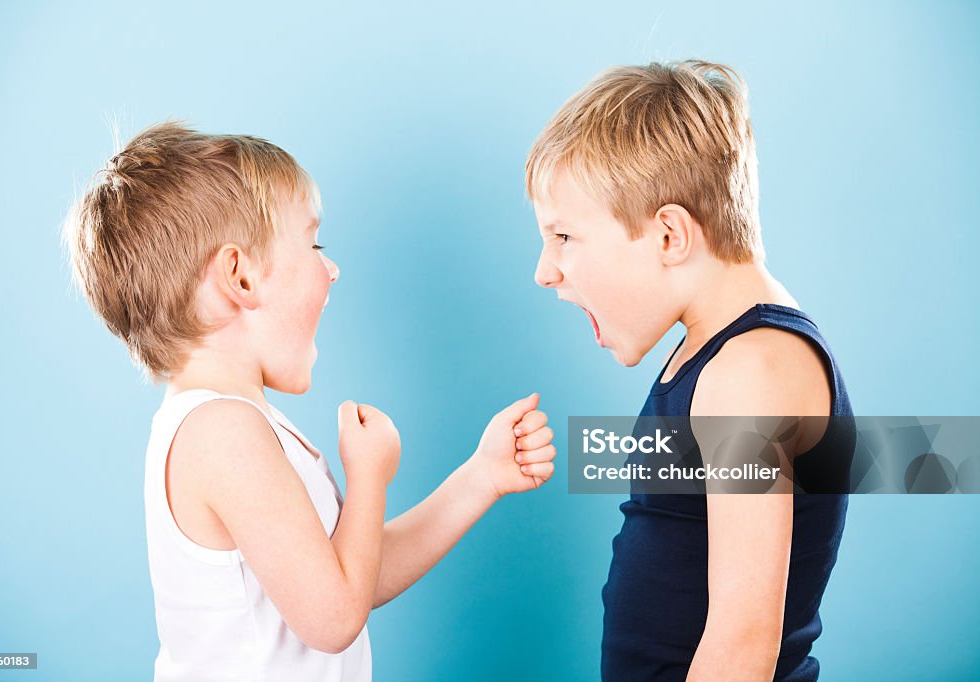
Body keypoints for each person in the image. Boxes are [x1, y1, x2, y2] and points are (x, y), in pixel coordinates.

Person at [63, 122, 557, 681]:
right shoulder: (221, 432)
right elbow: (334, 617)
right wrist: (369, 476)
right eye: (314, 244)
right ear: (241, 278)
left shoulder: (239, 424)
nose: (332, 267)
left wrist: (480, 476)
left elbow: (352, 574)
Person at [525, 61, 854, 681]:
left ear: (670, 235)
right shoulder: (711, 356)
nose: (546, 270)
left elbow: (741, 643)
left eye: (564, 236)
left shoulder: (751, 371)